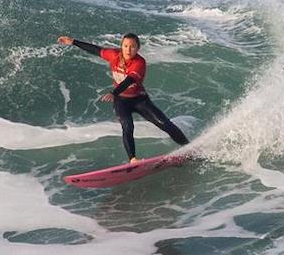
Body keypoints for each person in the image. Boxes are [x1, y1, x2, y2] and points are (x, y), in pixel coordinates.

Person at [58, 32, 190, 162]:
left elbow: (130, 80)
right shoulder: (113, 55)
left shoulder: (139, 62)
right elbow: (96, 50)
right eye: (126, 46)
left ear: (137, 48)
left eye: (132, 46)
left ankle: (189, 149)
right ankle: (133, 159)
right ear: (121, 46)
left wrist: (113, 93)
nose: (128, 49)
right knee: (127, 126)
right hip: (121, 101)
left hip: (139, 100)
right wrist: (73, 42)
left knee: (165, 124)